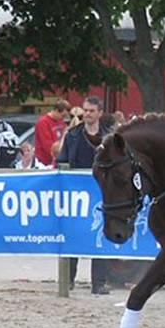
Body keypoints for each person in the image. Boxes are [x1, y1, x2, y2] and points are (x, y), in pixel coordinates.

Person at [58, 96, 112, 295]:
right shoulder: (73, 135)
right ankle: (68, 280)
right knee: (73, 235)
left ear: (99, 113)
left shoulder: (109, 137)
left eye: (91, 111)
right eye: (85, 110)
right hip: (76, 195)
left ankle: (99, 282)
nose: (87, 114)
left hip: (101, 193)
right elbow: (62, 161)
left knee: (100, 236)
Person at [34, 100, 69, 165]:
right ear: (56, 111)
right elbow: (47, 146)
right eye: (62, 115)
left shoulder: (61, 122)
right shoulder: (43, 122)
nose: (63, 118)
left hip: (58, 160)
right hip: (45, 162)